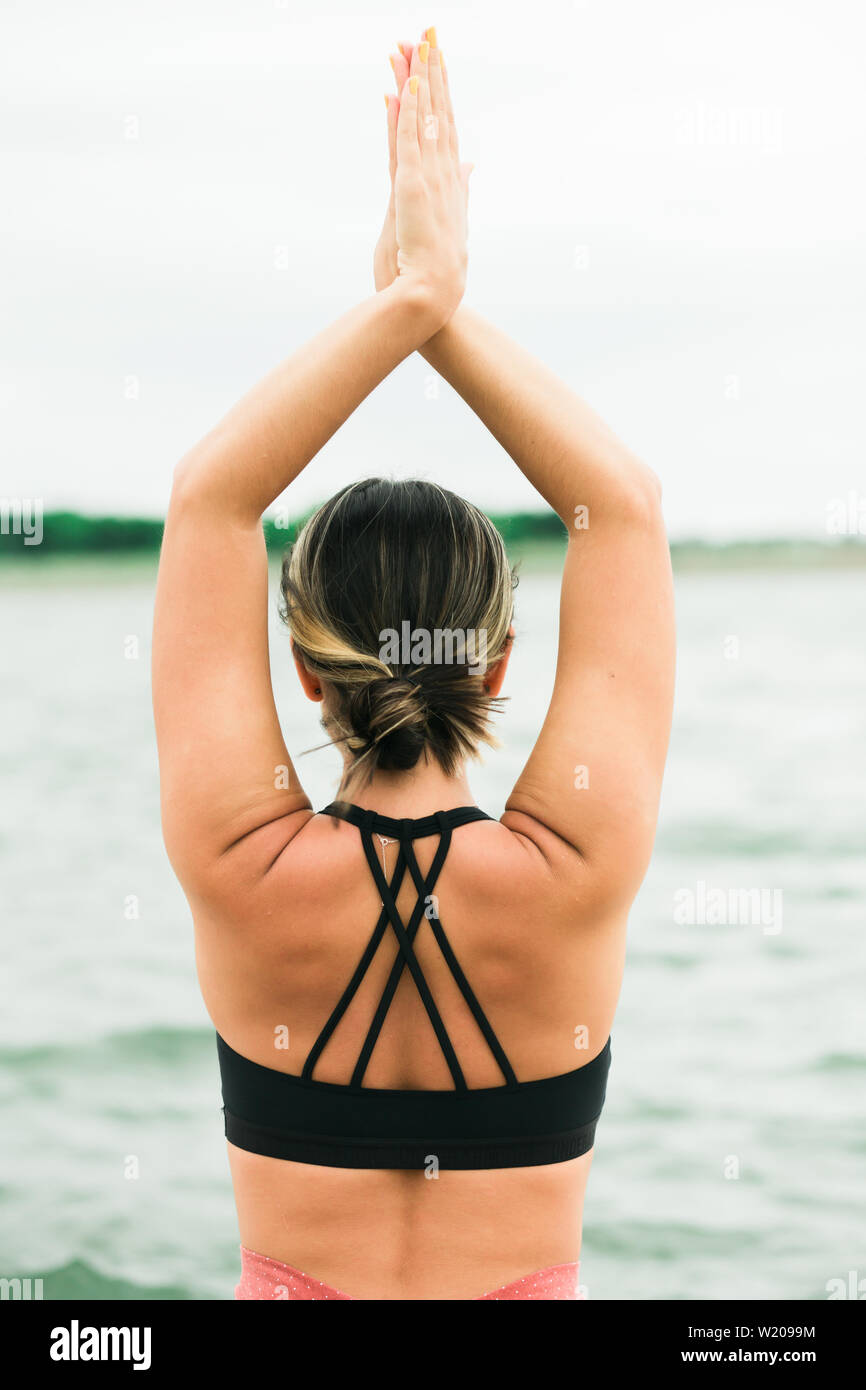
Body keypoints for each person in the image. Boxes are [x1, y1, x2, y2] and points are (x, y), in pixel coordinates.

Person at [152, 28, 675, 1301]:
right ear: (496, 667)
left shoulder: (240, 865)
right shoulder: (573, 869)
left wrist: (402, 304)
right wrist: (440, 310)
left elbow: (211, 502)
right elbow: (621, 506)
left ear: (305, 667)